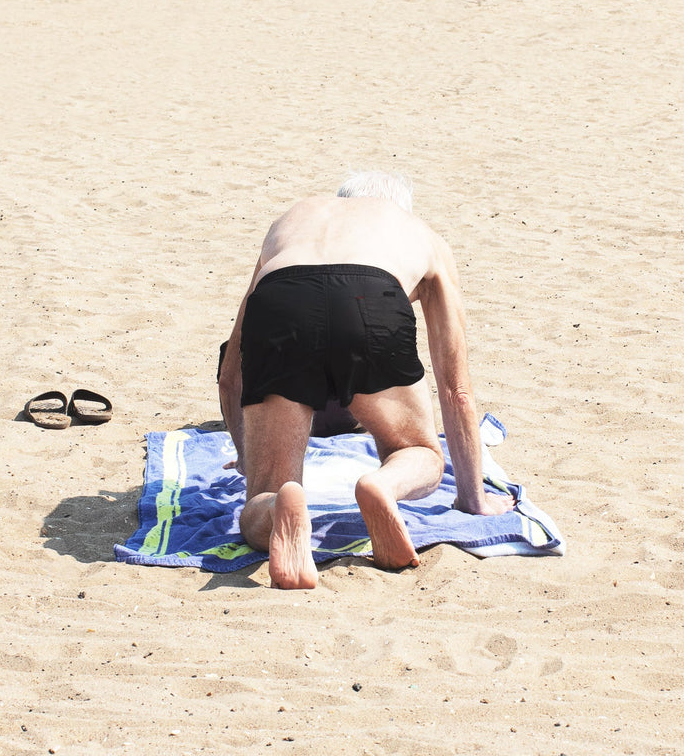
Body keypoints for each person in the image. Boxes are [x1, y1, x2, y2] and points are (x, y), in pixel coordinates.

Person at [217, 172, 515, 589]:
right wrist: (473, 499)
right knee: (420, 453)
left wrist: (248, 458)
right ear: (399, 207)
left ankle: (279, 503)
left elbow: (230, 378)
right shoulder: (418, 232)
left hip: (282, 298)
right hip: (370, 295)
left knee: (263, 494)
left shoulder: (295, 217)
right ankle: (382, 483)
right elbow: (456, 389)